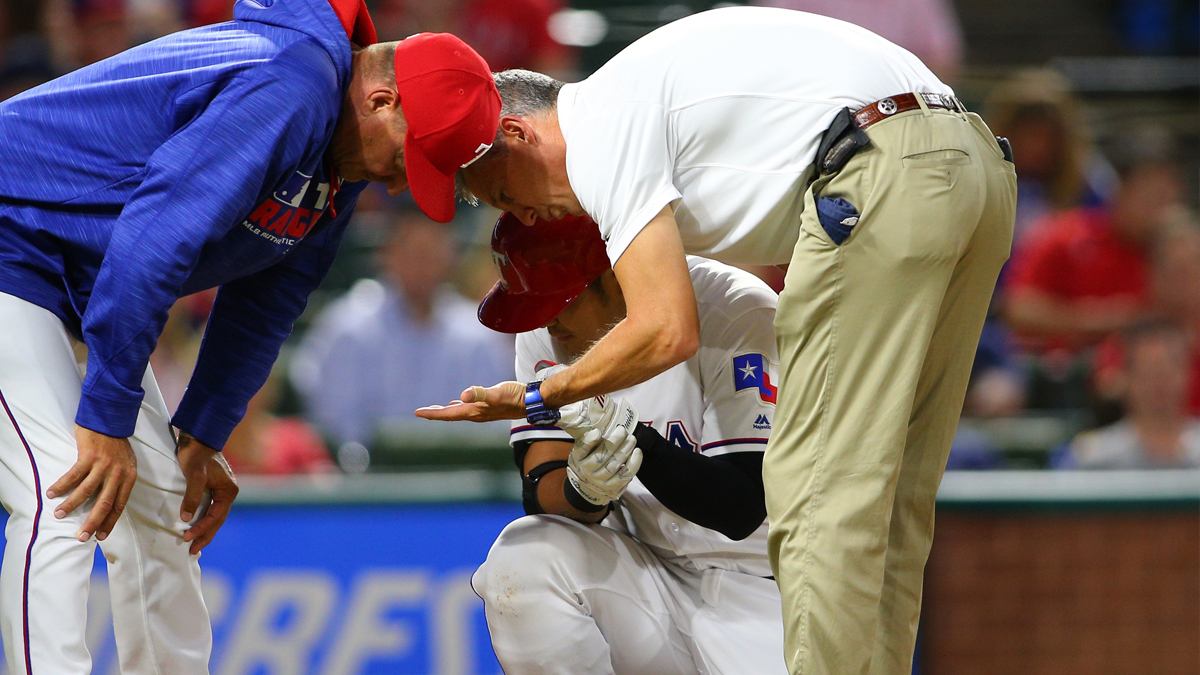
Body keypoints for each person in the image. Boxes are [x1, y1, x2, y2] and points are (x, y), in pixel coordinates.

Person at [417, 7, 1017, 674]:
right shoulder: (629, 115)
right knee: (892, 503)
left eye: (508, 194)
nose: (525, 215)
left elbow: (670, 338)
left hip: (759, 595)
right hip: (967, 162)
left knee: (822, 497)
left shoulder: (601, 137)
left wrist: (552, 399)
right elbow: (544, 485)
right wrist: (586, 484)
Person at [0, 0, 500, 671]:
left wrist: (202, 434)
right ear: (381, 100)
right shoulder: (290, 83)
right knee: (65, 488)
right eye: (409, 156)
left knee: (163, 511)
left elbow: (269, 298)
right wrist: (107, 415)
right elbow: (156, 241)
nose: (400, 180)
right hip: (12, 236)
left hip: (73, 276)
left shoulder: (340, 152)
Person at [472, 212, 786, 675]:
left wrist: (635, 442)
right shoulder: (544, 329)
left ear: (616, 274)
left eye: (560, 300)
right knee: (523, 558)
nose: (548, 320)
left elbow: (741, 508)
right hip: (650, 577)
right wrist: (584, 490)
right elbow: (541, 486)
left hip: (769, 590)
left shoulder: (735, 308)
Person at [291, 208, 513, 446]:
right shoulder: (348, 327)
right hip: (368, 466)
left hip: (459, 465)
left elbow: (494, 426)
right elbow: (333, 423)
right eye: (415, 253)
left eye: (433, 253)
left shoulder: (478, 336)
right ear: (388, 254)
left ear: (451, 256)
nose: (424, 265)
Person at [1004, 127, 1183, 354]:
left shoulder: (1179, 254)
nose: (1160, 210)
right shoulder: (1066, 234)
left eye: (1167, 197)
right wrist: (1097, 320)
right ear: (1121, 190)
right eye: (1150, 196)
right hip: (1064, 364)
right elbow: (1018, 308)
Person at [1053, 319, 1200, 469]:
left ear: (1188, 373)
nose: (1160, 382)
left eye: (1168, 370)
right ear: (1126, 377)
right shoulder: (1091, 455)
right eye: (1148, 371)